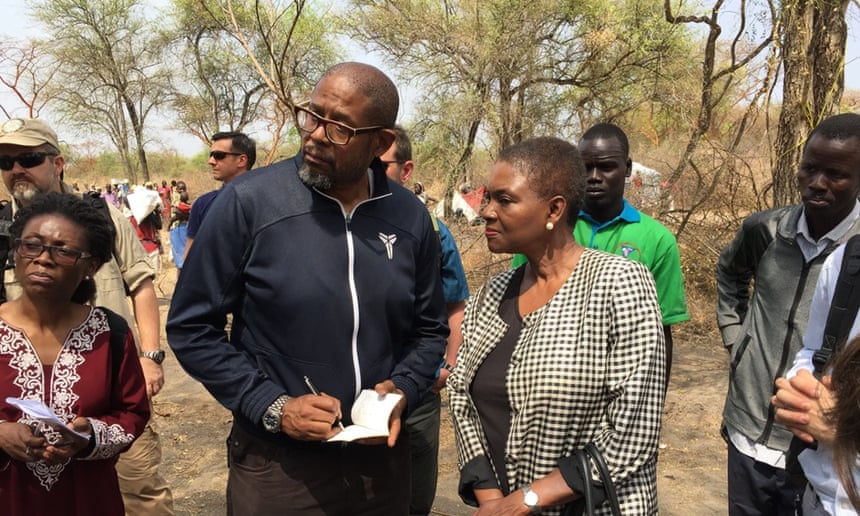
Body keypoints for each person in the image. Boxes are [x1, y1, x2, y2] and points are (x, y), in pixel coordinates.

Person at [166, 62, 449, 515]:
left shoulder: (409, 216)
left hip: (380, 466)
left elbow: (430, 328)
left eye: (339, 128)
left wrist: (405, 387)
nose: (316, 134)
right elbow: (191, 327)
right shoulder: (249, 203)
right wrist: (272, 405)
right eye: (311, 115)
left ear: (380, 143)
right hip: (278, 468)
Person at [449, 137, 666, 515]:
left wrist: (527, 500)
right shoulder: (493, 292)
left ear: (554, 208)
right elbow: (460, 395)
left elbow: (634, 433)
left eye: (505, 199)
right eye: (488, 198)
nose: (486, 211)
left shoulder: (619, 283)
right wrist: (492, 500)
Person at [0, 118, 174, 515]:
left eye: (28, 158)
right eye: (5, 162)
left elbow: (141, 285)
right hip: (16, 474)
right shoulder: (2, 226)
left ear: (57, 162)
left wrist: (149, 357)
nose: (15, 170)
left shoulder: (104, 217)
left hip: (108, 374)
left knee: (141, 490)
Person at [717, 112, 860, 515]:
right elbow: (729, 274)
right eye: (810, 168)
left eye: (836, 174)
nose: (818, 183)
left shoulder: (857, 255)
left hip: (820, 449)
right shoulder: (765, 229)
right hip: (747, 428)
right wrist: (736, 338)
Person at [0, 192, 150, 515]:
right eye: (32, 245)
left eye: (64, 251)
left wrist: (90, 437)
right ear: (17, 251)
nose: (44, 258)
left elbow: (133, 413)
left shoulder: (109, 334)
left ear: (91, 266)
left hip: (89, 500)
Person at [510, 123, 688, 381]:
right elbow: (518, 309)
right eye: (585, 167)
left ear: (627, 168)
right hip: (545, 377)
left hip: (620, 380)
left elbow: (661, 332)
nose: (594, 176)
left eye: (606, 167)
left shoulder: (657, 240)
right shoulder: (544, 228)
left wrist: (654, 401)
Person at [380, 125, 469, 515]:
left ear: (406, 169)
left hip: (418, 388)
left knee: (416, 494)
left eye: (380, 164)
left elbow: (453, 306)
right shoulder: (335, 228)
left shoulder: (433, 231)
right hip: (357, 390)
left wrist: (446, 367)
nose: (367, 170)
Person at [772, 239, 860, 515]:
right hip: (820, 497)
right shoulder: (846, 261)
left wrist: (847, 431)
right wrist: (803, 392)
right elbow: (815, 349)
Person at [183, 131, 255, 260]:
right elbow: (189, 258)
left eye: (218, 155)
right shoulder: (203, 204)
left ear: (241, 160)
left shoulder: (267, 201)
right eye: (211, 155)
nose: (211, 161)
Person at [167, 181, 189, 271]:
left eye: (184, 189)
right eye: (180, 189)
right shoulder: (175, 201)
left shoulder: (185, 201)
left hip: (185, 228)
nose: (182, 191)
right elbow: (178, 214)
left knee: (187, 255)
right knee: (180, 260)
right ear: (176, 190)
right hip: (176, 229)